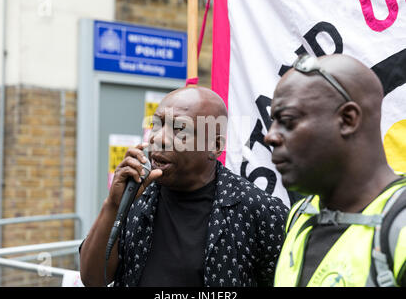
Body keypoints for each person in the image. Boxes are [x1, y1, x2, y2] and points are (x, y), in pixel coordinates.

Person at [79, 86, 288, 287]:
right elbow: (93, 279)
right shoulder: (135, 196)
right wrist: (113, 205)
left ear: (215, 146)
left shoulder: (260, 211)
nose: (158, 139)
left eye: (179, 129)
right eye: (157, 125)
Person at [264, 53, 406, 287]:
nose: (270, 136)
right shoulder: (300, 215)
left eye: (287, 120)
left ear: (348, 119)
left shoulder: (400, 227)